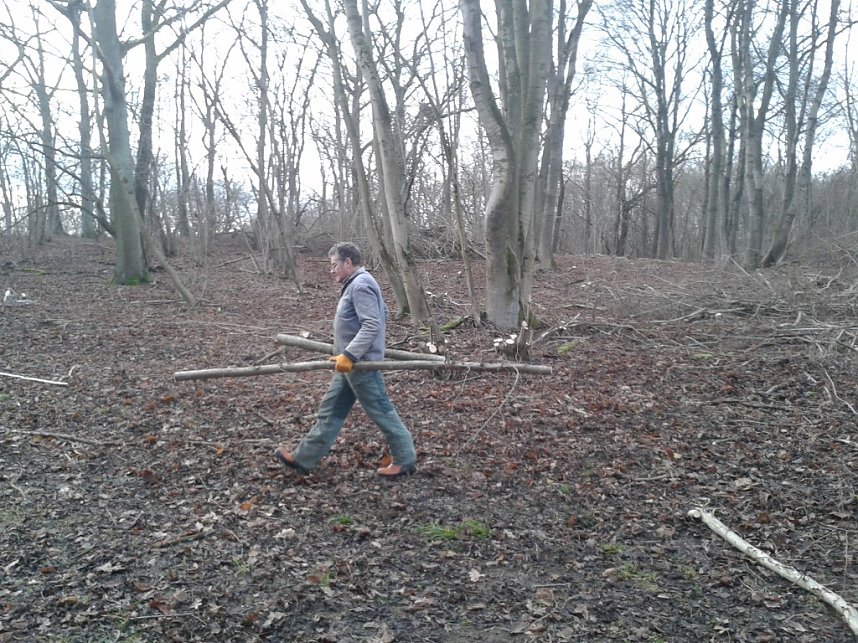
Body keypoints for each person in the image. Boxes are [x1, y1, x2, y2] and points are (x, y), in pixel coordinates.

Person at [274, 242, 417, 479]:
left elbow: (373, 323)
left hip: (359, 365)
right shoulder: (357, 283)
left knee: (381, 411)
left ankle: (405, 459)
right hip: (347, 364)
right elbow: (383, 314)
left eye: (334, 265)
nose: (332, 271)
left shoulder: (360, 285)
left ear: (347, 262)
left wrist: (351, 354)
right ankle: (303, 458)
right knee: (331, 411)